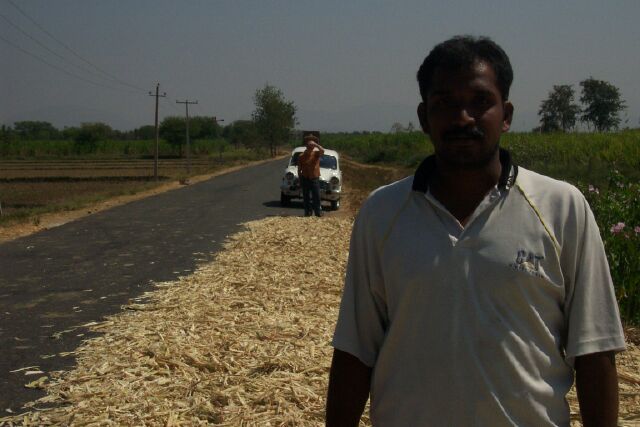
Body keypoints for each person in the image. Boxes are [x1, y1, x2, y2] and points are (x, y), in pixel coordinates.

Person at [327, 35, 626, 426]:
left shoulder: (562, 208)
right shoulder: (382, 214)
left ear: (506, 114)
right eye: (445, 104)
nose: (463, 117)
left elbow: (594, 351)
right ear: (423, 117)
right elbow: (355, 352)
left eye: (480, 101)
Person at [298, 134, 325, 217]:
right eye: (310, 145)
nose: (312, 146)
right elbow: (299, 169)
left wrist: (316, 144)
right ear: (307, 146)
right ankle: (308, 212)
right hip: (305, 178)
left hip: (314, 178)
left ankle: (318, 212)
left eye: (312, 145)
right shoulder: (301, 156)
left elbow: (322, 151)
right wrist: (300, 179)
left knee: (316, 196)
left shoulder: (316, 154)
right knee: (306, 197)